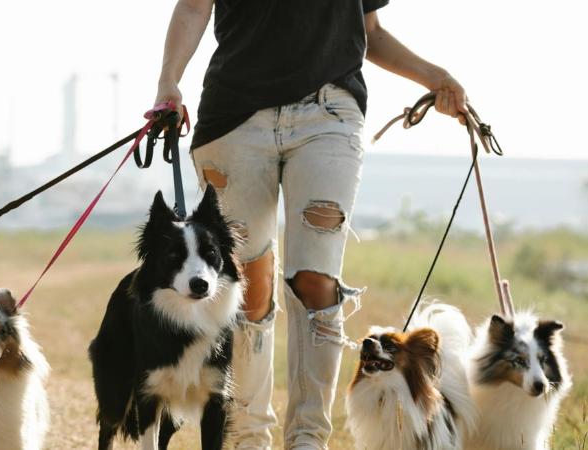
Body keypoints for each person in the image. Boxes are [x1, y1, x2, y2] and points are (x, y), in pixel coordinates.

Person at [154, 1, 468, 449]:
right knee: (246, 282)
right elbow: (193, 6)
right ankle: (247, 435)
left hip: (330, 114)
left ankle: (307, 437)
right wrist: (169, 83)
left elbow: (369, 29)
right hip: (235, 117)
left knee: (317, 279)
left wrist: (435, 77)